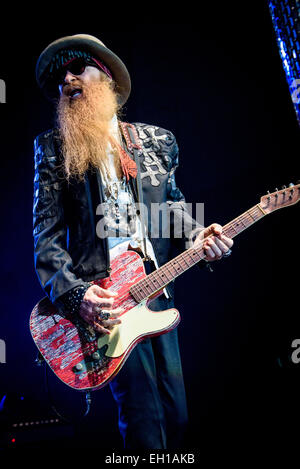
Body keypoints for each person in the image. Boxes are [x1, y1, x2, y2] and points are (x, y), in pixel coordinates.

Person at [33, 33, 234, 449]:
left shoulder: (157, 141)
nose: (66, 80)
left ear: (105, 78)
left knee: (177, 417)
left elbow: (173, 206)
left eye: (76, 69)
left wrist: (201, 233)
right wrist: (77, 295)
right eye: (59, 77)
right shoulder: (54, 148)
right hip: (107, 304)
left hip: (156, 291)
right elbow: (45, 238)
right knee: (144, 422)